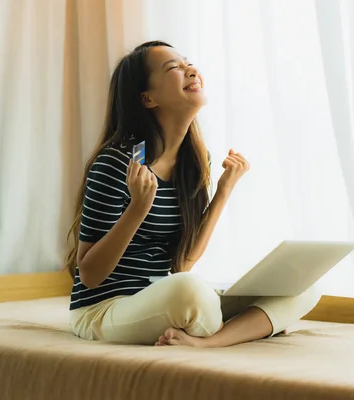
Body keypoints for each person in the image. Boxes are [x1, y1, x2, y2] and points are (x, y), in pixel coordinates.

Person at [65, 41, 321, 347]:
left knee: (302, 283)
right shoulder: (118, 163)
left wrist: (223, 191)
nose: (189, 69)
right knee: (191, 291)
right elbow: (90, 275)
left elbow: (182, 263)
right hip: (104, 309)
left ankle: (207, 342)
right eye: (173, 67)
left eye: (187, 62)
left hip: (163, 295)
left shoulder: (193, 163)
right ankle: (250, 326)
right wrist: (138, 208)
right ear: (148, 98)